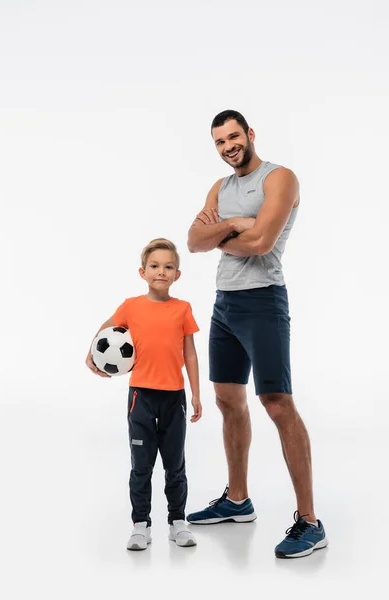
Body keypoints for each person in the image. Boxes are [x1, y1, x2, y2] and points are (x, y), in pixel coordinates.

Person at [186, 110, 328, 558]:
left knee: (277, 402)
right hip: (224, 304)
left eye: (233, 136)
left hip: (263, 301)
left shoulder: (280, 178)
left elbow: (263, 243)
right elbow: (192, 240)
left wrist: (222, 231)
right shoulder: (220, 188)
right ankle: (237, 499)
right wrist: (234, 225)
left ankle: (310, 521)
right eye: (219, 142)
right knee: (228, 400)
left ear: (249, 134)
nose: (228, 146)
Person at [86, 238, 202, 551]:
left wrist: (196, 394)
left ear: (177, 274)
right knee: (141, 465)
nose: (161, 271)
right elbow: (106, 331)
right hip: (141, 396)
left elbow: (190, 354)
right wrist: (91, 353)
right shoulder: (131, 306)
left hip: (173, 397)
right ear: (143, 272)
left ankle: (178, 521)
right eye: (154, 266)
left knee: (175, 464)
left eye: (168, 267)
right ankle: (141, 525)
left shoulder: (183, 309)